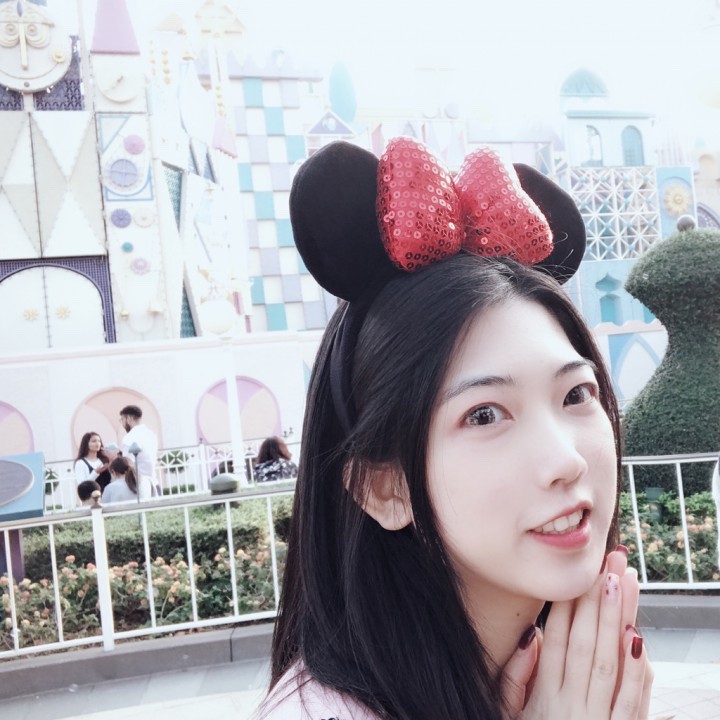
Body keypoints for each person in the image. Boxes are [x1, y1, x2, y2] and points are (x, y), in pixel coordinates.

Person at [256, 139, 653, 719]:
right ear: (384, 488)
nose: (566, 460)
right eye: (485, 414)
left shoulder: (566, 688)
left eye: (576, 394)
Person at [119, 405, 159, 493]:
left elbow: (128, 463)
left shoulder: (129, 437)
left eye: (122, 419)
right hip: (154, 483)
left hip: (138, 486)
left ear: (128, 418)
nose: (122, 424)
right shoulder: (151, 434)